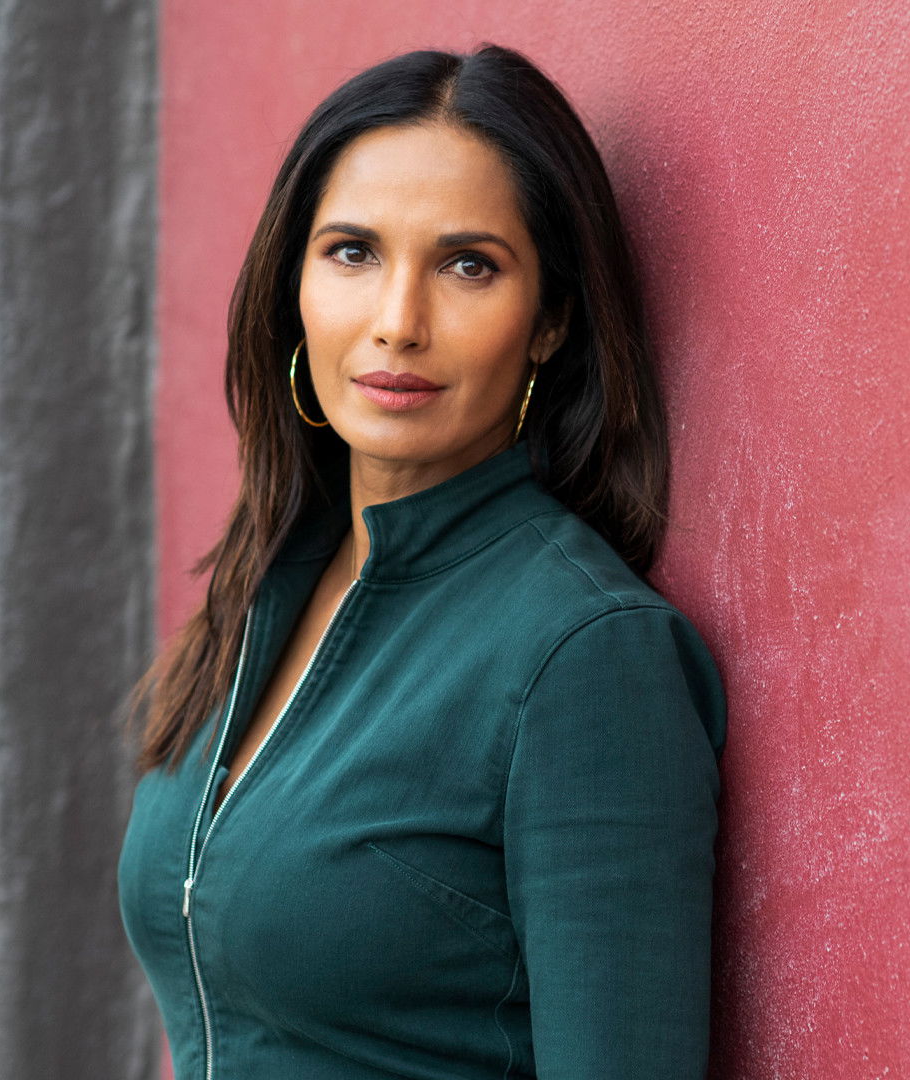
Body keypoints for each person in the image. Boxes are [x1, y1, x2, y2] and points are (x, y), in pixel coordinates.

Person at [115, 43, 727, 1080]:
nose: (398, 323)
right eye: (353, 252)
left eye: (467, 265)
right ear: (294, 284)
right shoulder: (271, 584)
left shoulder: (586, 658)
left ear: (551, 322)